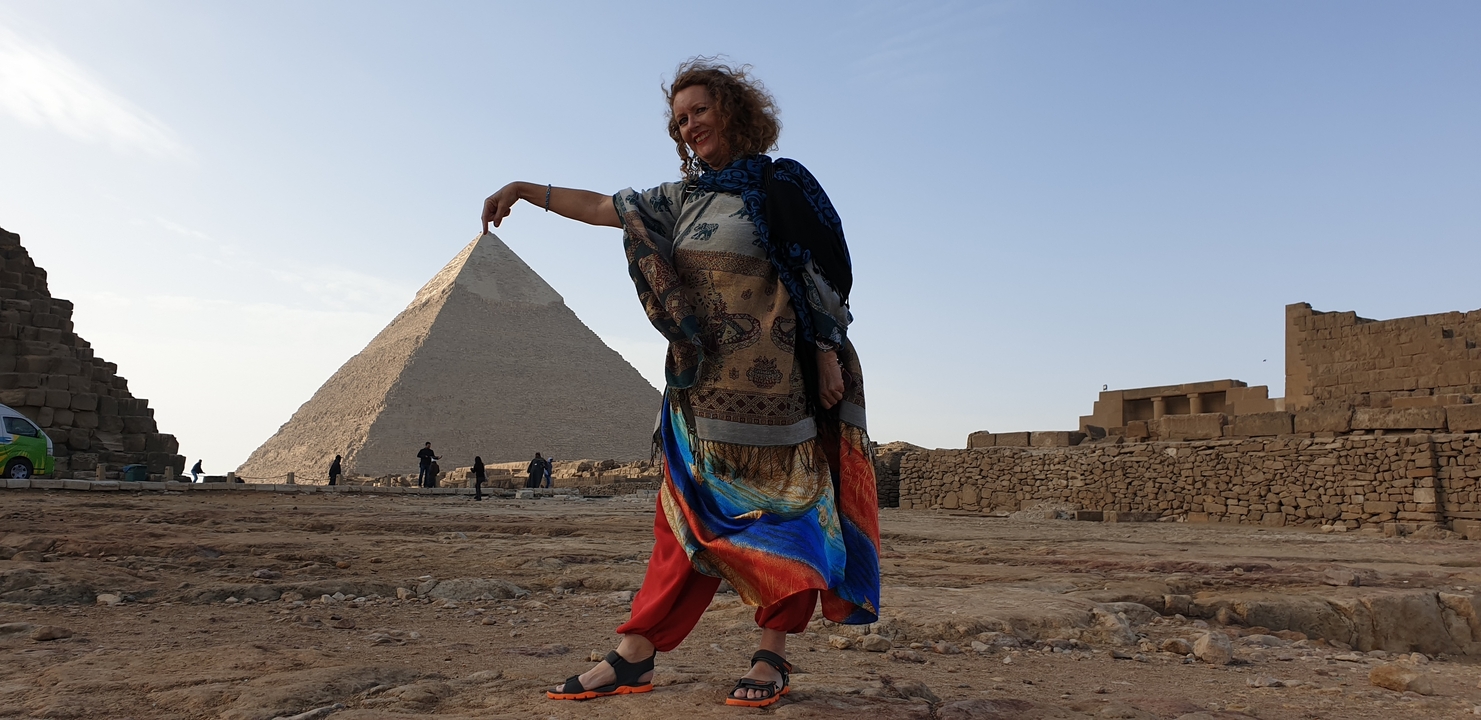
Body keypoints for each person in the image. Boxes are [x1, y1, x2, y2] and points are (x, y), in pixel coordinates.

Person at [482, 58, 879, 708]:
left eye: (697, 111)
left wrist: (828, 351)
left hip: (781, 394)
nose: (688, 126)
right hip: (698, 394)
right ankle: (634, 655)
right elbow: (606, 208)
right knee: (682, 526)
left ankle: (770, 656)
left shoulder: (785, 186)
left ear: (733, 109)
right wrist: (525, 189)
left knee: (791, 522)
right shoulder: (680, 200)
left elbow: (826, 275)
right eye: (678, 120)